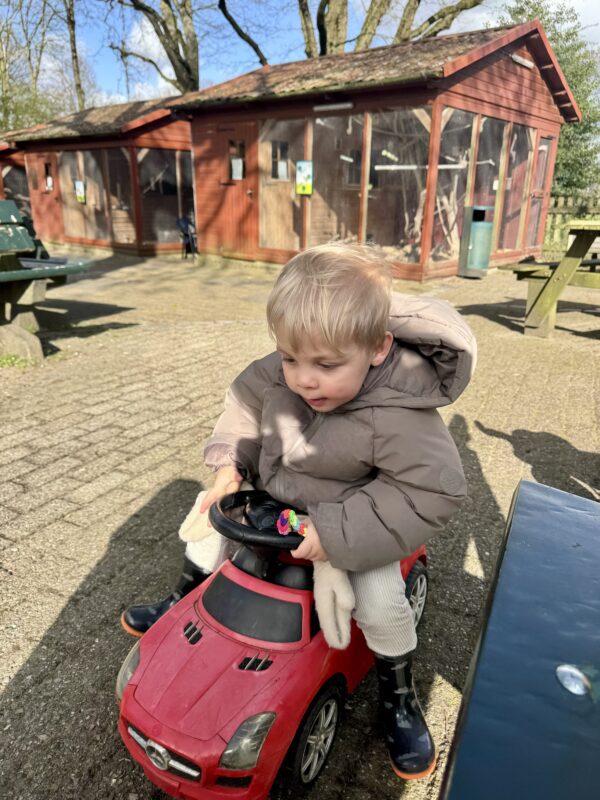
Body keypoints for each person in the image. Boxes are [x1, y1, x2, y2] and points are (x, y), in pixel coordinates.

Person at [121, 243, 476, 780]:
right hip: (276, 504)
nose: (303, 379)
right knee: (205, 522)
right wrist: (229, 467)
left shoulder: (401, 413)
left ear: (377, 349)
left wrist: (336, 532)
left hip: (357, 524)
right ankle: (180, 598)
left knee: (380, 602)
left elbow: (431, 491)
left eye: (326, 365)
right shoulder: (284, 372)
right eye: (290, 358)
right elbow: (243, 404)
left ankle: (397, 694)